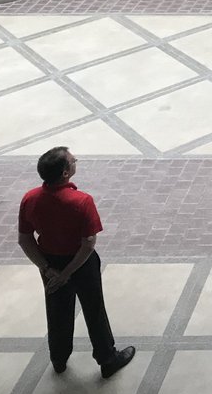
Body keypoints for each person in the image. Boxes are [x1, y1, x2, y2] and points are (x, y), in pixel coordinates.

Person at [17, 147, 135, 378]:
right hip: (81, 263)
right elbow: (88, 243)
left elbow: (25, 240)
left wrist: (49, 269)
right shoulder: (81, 201)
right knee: (94, 309)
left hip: (49, 261)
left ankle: (59, 358)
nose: (75, 162)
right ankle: (107, 358)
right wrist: (68, 272)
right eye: (72, 161)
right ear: (65, 173)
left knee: (57, 310)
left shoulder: (30, 199)